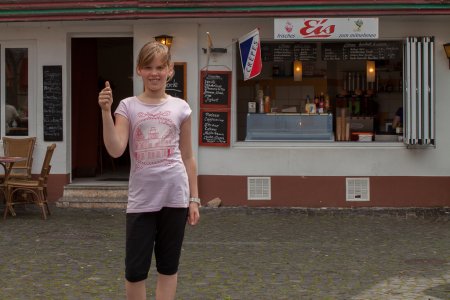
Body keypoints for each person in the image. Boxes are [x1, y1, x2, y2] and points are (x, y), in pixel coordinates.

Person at [98, 41, 200, 300]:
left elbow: (188, 156)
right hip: (141, 200)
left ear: (170, 70)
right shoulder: (127, 106)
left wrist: (194, 199)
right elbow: (115, 149)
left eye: (159, 67)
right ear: (139, 70)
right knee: (134, 271)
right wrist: (106, 112)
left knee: (168, 267)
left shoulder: (181, 107)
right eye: (148, 67)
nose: (154, 73)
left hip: (175, 196)